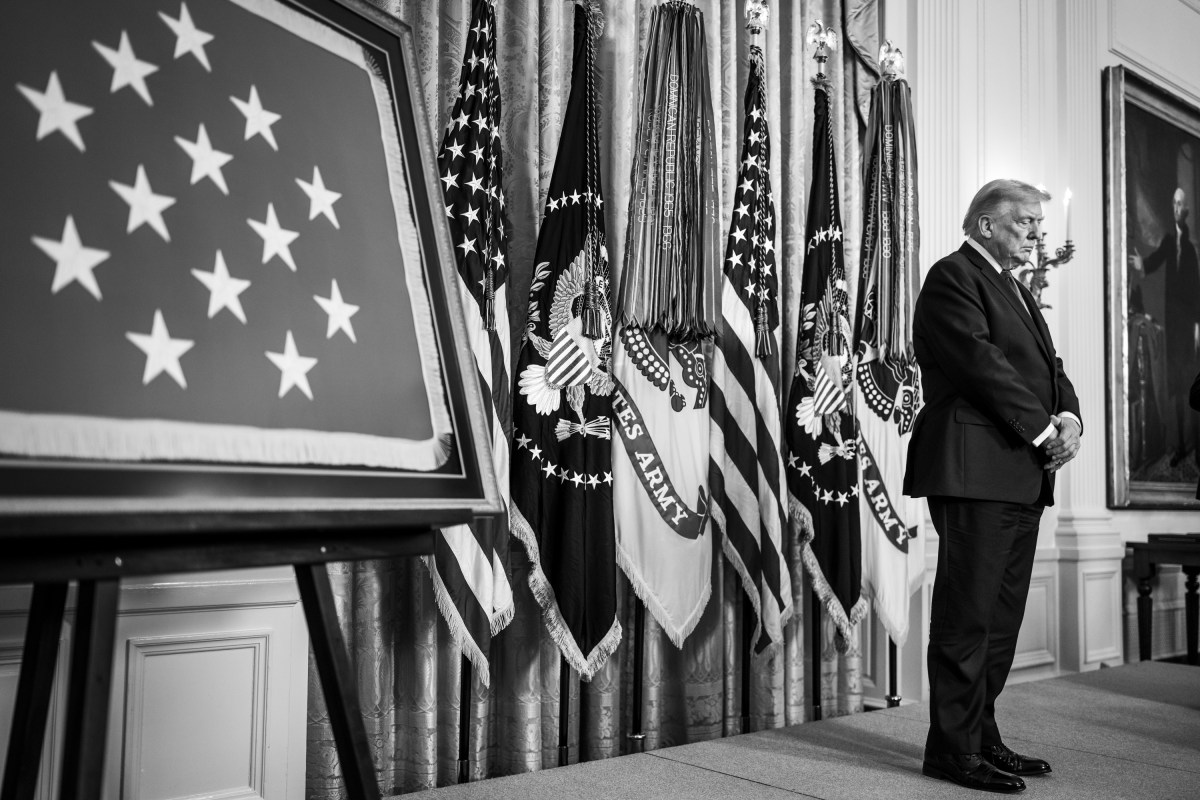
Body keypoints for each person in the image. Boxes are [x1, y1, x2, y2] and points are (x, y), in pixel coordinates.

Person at [904, 179, 1082, 794]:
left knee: (1001, 619)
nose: (1038, 232)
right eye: (1027, 221)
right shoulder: (953, 277)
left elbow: (1051, 369)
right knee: (968, 614)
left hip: (1020, 473)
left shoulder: (1017, 289)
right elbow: (982, 364)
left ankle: (982, 737)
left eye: (1039, 222)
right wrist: (1042, 431)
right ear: (985, 224)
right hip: (974, 466)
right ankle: (950, 751)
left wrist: (1071, 419)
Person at [1130, 187, 1200, 468]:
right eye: (1173, 202)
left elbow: (1196, 289)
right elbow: (1156, 259)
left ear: (1185, 211)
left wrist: (1197, 325)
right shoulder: (1170, 241)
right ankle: (1180, 445)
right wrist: (1141, 264)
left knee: (1188, 384)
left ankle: (1191, 446)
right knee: (1175, 386)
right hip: (1173, 322)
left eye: (1180, 204)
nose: (1176, 208)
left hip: (1188, 324)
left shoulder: (1192, 250)